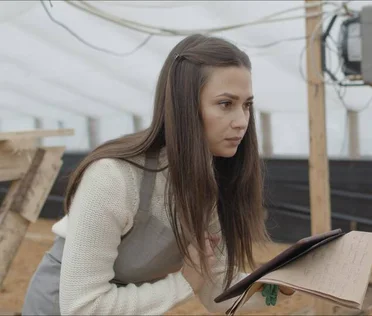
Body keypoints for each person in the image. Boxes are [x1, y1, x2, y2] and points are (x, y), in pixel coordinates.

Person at [21, 34, 294, 315]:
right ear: (184, 105)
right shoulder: (113, 177)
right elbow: (82, 306)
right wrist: (184, 283)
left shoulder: (204, 186)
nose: (242, 122)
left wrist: (285, 284)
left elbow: (216, 289)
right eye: (226, 104)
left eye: (247, 105)